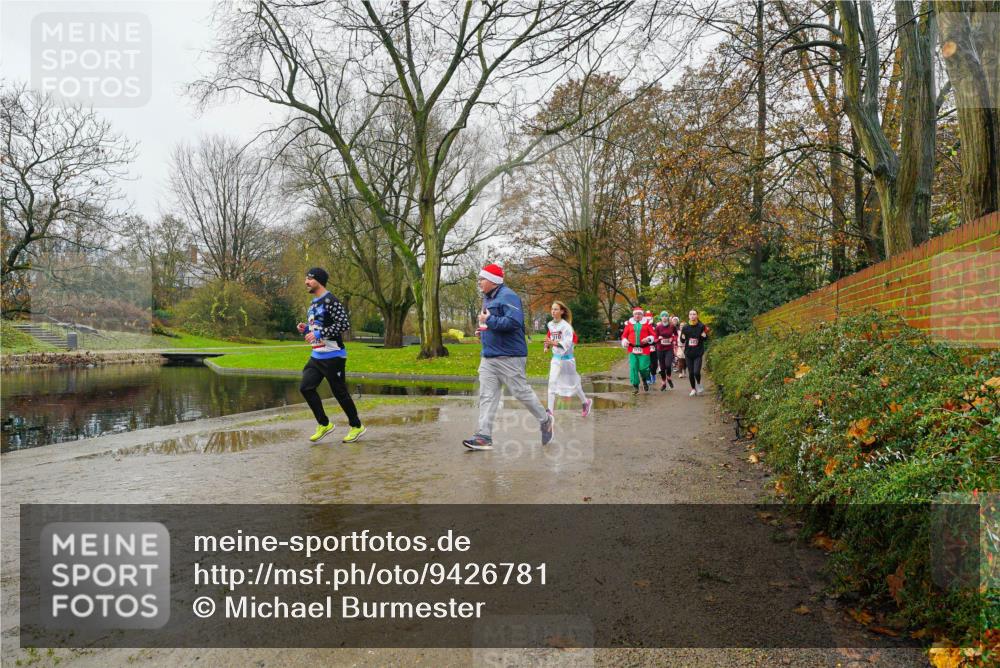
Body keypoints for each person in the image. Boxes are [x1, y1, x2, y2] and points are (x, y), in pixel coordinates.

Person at [463, 264, 554, 451]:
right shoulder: (487, 298)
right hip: (489, 356)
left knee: (521, 392)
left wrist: (489, 321)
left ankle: (545, 419)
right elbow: (493, 324)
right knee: (487, 396)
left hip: (510, 356)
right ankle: (483, 436)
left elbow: (514, 322)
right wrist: (483, 331)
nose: (479, 282)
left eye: (482, 279)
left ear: (494, 280)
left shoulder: (508, 296)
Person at [297, 268, 366, 443]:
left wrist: (319, 335)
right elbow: (317, 328)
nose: (306, 282)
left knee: (339, 393)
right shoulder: (313, 304)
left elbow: (344, 324)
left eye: (310, 279)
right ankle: (324, 424)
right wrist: (306, 329)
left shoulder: (331, 301)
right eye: (306, 278)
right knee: (306, 387)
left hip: (334, 356)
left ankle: (357, 426)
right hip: (317, 356)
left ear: (319, 281)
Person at [544, 301, 593, 417]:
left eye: (556, 309)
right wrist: (546, 345)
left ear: (562, 311)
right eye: (552, 309)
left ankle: (586, 402)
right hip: (556, 359)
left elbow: (567, 343)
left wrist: (553, 343)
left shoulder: (566, 327)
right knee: (552, 382)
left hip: (567, 360)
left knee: (574, 384)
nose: (553, 311)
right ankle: (549, 412)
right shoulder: (550, 324)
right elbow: (549, 336)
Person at [621, 306, 656, 394]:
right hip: (632, 349)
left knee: (643, 368)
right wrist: (625, 341)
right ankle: (635, 386)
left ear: (642, 315)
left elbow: (653, 335)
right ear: (633, 315)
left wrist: (648, 339)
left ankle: (644, 380)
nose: (637, 316)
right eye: (636, 314)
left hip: (644, 349)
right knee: (633, 368)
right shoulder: (629, 324)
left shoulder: (647, 323)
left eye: (639, 314)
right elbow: (624, 336)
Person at [679, 309, 709, 396]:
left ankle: (699, 384)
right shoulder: (685, 327)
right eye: (691, 314)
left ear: (697, 316)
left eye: (694, 314)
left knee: (696, 372)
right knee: (691, 373)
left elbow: (705, 338)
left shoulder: (701, 326)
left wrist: (704, 336)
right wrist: (683, 337)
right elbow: (682, 339)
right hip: (688, 353)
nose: (692, 316)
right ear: (689, 316)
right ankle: (693, 389)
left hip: (698, 353)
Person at [654, 311, 676, 390]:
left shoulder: (672, 326)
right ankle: (663, 383)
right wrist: (658, 339)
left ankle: (669, 378)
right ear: (661, 318)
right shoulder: (658, 327)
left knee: (668, 365)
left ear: (668, 317)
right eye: (663, 316)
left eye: (666, 316)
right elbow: (655, 339)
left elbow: (676, 335)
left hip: (669, 349)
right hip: (660, 349)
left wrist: (672, 338)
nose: (664, 317)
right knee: (662, 368)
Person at [644, 310, 657, 383]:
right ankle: (648, 378)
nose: (648, 319)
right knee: (646, 363)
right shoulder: (643, 325)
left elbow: (657, 335)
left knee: (654, 363)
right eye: (647, 318)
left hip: (654, 347)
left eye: (650, 318)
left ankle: (653, 375)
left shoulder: (655, 326)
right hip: (645, 346)